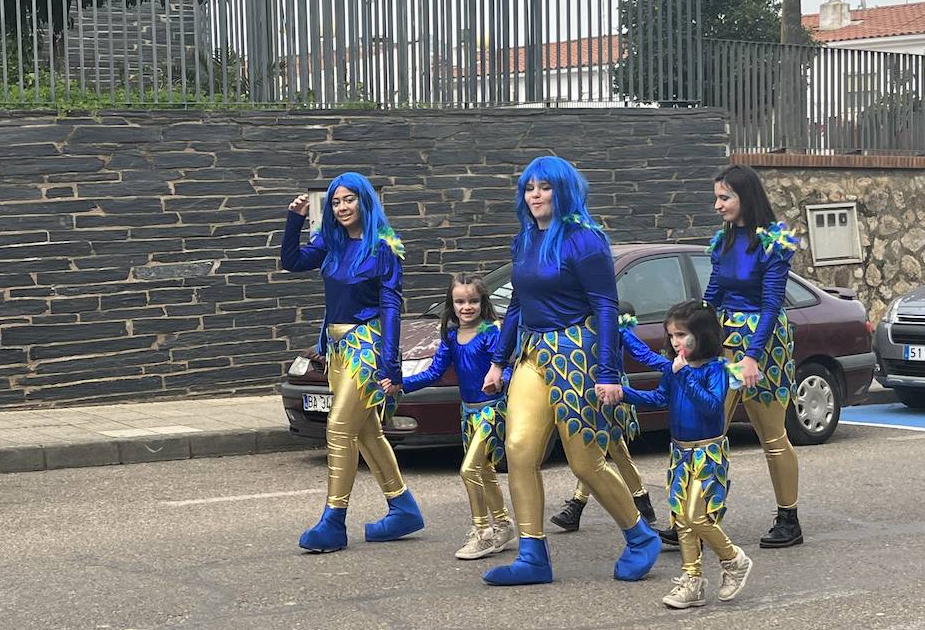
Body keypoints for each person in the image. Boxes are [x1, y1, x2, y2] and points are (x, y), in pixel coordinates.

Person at [480, 155, 661, 586]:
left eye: (544, 187)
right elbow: (516, 306)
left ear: (563, 191)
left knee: (585, 462)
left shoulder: (586, 239)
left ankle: (640, 537)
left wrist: (608, 371)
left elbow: (605, 306)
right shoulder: (523, 241)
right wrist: (498, 361)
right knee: (519, 449)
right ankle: (532, 556)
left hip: (577, 351)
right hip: (532, 352)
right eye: (529, 188)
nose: (535, 195)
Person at [279, 173, 425, 553]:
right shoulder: (330, 241)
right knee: (366, 433)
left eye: (349, 200)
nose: (342, 207)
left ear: (365, 202)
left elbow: (391, 307)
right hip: (337, 349)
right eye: (335, 202)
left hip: (367, 346)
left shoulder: (383, 247)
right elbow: (291, 262)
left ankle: (334, 521)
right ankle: (403, 507)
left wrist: (390, 363)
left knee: (340, 429)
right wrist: (294, 219)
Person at [692, 163, 804, 549]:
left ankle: (789, 519)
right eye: (717, 197)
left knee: (772, 436)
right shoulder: (721, 241)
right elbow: (712, 296)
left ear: (745, 197)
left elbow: (771, 305)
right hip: (723, 339)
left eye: (725, 197)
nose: (717, 204)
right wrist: (691, 339)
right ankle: (696, 518)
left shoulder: (774, 242)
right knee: (707, 431)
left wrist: (753, 357)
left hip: (764, 343)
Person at [622, 300, 754, 609]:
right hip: (680, 453)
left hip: (708, 453)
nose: (675, 342)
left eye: (681, 335)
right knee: (681, 518)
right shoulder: (675, 369)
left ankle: (733, 559)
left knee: (698, 516)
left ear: (702, 334)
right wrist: (622, 393)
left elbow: (711, 406)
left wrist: (684, 376)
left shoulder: (716, 369)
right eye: (671, 336)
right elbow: (658, 397)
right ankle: (692, 579)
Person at [398, 273, 517, 561]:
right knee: (484, 471)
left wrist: (500, 380)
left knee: (470, 471)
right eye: (460, 301)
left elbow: (508, 367)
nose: (467, 307)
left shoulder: (491, 333)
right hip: (468, 412)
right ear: (451, 305)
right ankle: (503, 524)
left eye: (473, 301)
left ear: (482, 302)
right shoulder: (451, 336)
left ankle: (482, 533)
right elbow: (434, 372)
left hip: (492, 410)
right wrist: (400, 383)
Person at [549, 302, 658, 532]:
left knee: (613, 448)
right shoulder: (575, 325)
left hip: (613, 393)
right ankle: (639, 502)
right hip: (587, 394)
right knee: (595, 449)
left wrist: (672, 366)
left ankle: (584, 505)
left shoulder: (614, 323)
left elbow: (640, 352)